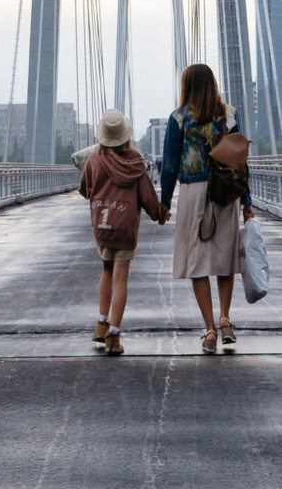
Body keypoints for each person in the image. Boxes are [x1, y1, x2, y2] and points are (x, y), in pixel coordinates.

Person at [159, 63, 254, 353]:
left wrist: (164, 203)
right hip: (226, 191)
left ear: (186, 85)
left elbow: (170, 165)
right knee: (225, 257)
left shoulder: (178, 118)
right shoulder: (229, 113)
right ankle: (225, 318)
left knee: (197, 261)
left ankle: (210, 330)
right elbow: (239, 160)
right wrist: (247, 203)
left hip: (193, 191)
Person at [78, 108, 166, 356]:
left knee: (106, 271)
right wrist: (160, 214)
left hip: (102, 226)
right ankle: (114, 335)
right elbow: (148, 197)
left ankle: (101, 323)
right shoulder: (134, 161)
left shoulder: (93, 159)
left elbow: (84, 190)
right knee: (121, 279)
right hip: (125, 227)